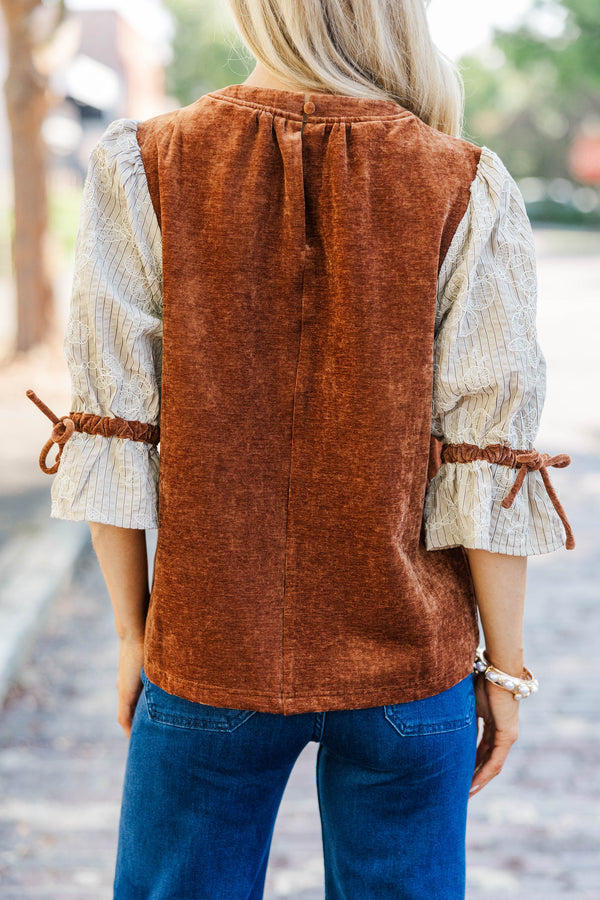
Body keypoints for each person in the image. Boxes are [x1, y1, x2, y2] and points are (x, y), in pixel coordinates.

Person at [27, 1, 575, 897]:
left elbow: (114, 428)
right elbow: (487, 462)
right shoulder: (465, 181)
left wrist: (135, 632)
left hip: (208, 652)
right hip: (409, 662)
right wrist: (505, 672)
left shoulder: (142, 164)